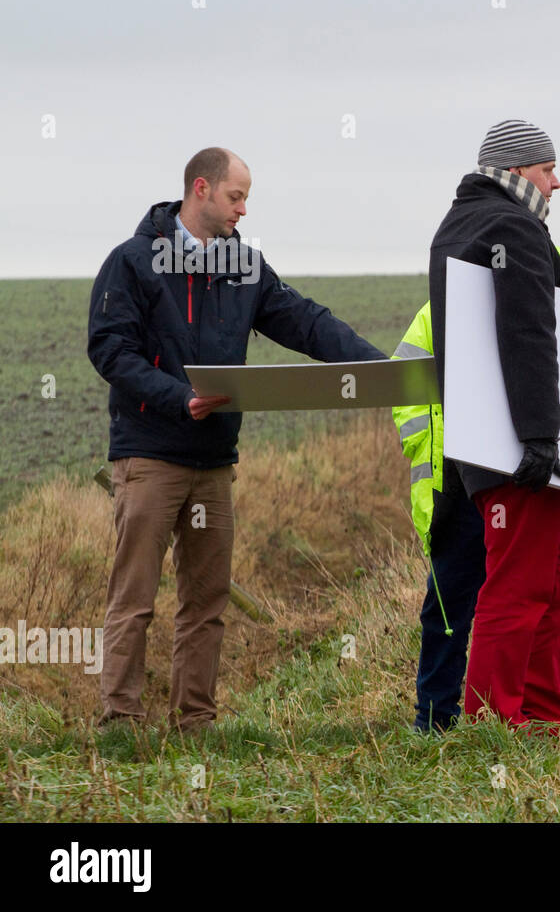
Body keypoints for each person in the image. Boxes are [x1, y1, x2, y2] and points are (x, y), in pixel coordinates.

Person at [87, 147, 386, 732]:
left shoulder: (244, 266)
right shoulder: (133, 262)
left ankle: (194, 723)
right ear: (201, 189)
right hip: (148, 456)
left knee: (206, 604)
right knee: (135, 599)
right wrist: (179, 398)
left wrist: (377, 369)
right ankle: (120, 722)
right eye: (236, 196)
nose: (244, 210)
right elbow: (109, 350)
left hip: (214, 463)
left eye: (246, 198)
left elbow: (305, 321)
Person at [425, 120, 560, 754]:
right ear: (516, 170)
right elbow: (525, 332)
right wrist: (538, 437)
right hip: (517, 450)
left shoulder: (468, 222)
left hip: (493, 444)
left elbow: (541, 301)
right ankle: (493, 728)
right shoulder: (511, 225)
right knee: (518, 585)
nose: (556, 182)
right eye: (546, 169)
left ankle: (546, 715)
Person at [390, 254, 560, 733]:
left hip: (529, 475)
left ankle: (526, 713)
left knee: (535, 593)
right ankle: (435, 718)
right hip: (461, 481)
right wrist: (437, 448)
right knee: (451, 599)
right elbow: (406, 388)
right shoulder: (442, 306)